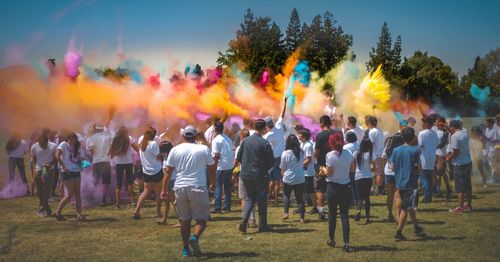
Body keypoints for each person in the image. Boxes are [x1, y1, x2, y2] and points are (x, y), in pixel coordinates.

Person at [161, 125, 216, 257]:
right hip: (198, 186)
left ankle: (185, 249)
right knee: (202, 219)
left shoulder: (175, 150)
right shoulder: (204, 149)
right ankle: (195, 237)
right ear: (196, 136)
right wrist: (213, 183)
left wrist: (164, 189)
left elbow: (168, 172)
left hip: (180, 187)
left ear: (183, 135)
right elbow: (211, 168)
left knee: (185, 220)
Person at [237, 119, 275, 233]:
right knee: (261, 200)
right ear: (264, 129)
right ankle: (263, 226)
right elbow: (271, 161)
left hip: (246, 174)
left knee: (249, 199)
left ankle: (244, 222)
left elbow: (239, 157)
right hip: (260, 174)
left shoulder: (246, 141)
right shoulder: (264, 143)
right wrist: (264, 168)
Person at [390, 127, 425, 241]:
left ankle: (416, 226)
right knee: (406, 207)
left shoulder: (396, 150)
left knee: (410, 206)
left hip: (399, 182)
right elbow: (418, 168)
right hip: (410, 182)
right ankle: (398, 233)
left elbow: (392, 166)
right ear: (413, 137)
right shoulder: (414, 151)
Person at [324, 132, 355, 252]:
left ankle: (331, 239)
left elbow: (329, 173)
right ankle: (346, 242)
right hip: (345, 186)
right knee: (344, 215)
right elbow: (352, 169)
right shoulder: (349, 153)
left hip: (332, 187)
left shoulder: (330, 155)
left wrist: (323, 169)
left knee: (332, 214)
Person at [134, 127, 164, 220]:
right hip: (156, 170)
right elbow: (158, 156)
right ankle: (158, 212)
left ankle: (137, 211)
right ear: (153, 135)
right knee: (158, 192)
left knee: (146, 191)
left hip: (146, 171)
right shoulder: (153, 144)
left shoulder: (142, 145)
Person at [54, 132, 85, 221]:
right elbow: (57, 156)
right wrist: (63, 166)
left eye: (74, 140)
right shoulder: (63, 144)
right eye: (71, 140)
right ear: (67, 139)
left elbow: (79, 159)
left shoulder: (76, 147)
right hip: (67, 172)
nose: (72, 141)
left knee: (78, 193)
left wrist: (82, 161)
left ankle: (79, 214)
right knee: (70, 194)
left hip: (76, 171)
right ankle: (58, 212)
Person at [314, 115, 340, 220]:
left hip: (322, 166)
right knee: (332, 186)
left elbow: (316, 153)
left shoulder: (320, 136)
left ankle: (321, 211)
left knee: (320, 189)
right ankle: (333, 210)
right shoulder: (336, 133)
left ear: (322, 123)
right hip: (335, 164)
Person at [264, 97, 287, 204]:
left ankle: (270, 196)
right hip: (282, 156)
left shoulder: (268, 135)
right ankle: (276, 198)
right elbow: (282, 114)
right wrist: (285, 102)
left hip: (273, 158)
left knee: (271, 179)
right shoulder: (278, 126)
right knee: (278, 180)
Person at [448, 120, 473, 214]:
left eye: (450, 127)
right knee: (467, 185)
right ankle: (469, 205)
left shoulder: (455, 136)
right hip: (467, 161)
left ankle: (460, 208)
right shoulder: (465, 133)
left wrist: (449, 158)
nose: (450, 129)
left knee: (459, 187)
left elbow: (456, 152)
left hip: (460, 164)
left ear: (453, 127)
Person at [383, 120, 406, 222]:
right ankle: (398, 216)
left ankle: (389, 214)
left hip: (388, 172)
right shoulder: (403, 148)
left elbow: (384, 157)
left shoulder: (388, 147)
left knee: (390, 194)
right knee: (398, 195)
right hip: (399, 173)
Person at [109, 127, 137, 209]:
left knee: (119, 183)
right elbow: (136, 148)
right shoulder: (129, 138)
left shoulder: (115, 139)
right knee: (130, 182)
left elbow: (111, 152)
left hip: (119, 163)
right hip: (128, 162)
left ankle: (117, 204)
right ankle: (132, 201)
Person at [280, 134, 306, 223]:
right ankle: (302, 217)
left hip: (289, 177)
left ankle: (286, 213)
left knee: (286, 195)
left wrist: (282, 172)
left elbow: (283, 167)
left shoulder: (285, 153)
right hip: (300, 177)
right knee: (299, 198)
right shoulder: (301, 152)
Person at [234, 129, 257, 228]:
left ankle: (245, 220)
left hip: (243, 174)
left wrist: (233, 171)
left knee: (244, 198)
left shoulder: (240, 147)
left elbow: (236, 162)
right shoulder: (254, 145)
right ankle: (252, 219)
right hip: (254, 173)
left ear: (241, 137)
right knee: (252, 197)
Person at [31, 131, 57, 217]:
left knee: (46, 190)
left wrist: (50, 164)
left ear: (47, 142)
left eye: (44, 145)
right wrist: (35, 170)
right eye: (41, 145)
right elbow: (34, 159)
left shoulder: (53, 146)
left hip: (50, 169)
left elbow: (56, 159)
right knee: (39, 191)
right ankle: (47, 209)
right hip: (39, 169)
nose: (42, 147)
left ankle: (41, 209)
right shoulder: (34, 147)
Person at [86, 124, 114, 206]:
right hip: (106, 161)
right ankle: (103, 200)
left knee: (95, 181)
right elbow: (112, 146)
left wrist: (96, 154)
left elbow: (91, 150)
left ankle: (92, 198)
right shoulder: (108, 136)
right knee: (105, 182)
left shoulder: (92, 138)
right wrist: (108, 154)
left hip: (96, 162)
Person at [211, 122, 235, 213]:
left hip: (221, 166)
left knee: (218, 186)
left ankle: (217, 207)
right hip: (229, 165)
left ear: (216, 130)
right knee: (227, 186)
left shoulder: (216, 140)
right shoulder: (227, 138)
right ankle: (227, 206)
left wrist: (214, 166)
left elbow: (216, 155)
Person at [158, 140, 180, 226]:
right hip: (173, 180)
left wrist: (164, 185)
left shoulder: (167, 158)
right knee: (167, 201)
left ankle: (180, 221)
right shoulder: (172, 156)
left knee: (174, 202)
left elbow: (166, 172)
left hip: (171, 181)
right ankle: (164, 219)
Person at [418, 116, 439, 202]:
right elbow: (437, 145)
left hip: (424, 158)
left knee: (424, 177)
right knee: (430, 178)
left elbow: (420, 146)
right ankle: (430, 194)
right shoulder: (434, 133)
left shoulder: (422, 133)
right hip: (432, 158)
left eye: (423, 123)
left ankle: (427, 196)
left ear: (426, 124)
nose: (422, 125)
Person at [354, 138, 375, 224]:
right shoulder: (370, 154)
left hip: (358, 176)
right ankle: (367, 218)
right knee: (367, 197)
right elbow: (374, 167)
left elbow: (354, 165)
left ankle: (358, 211)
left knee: (359, 196)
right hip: (368, 177)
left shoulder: (356, 153)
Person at [297, 129, 318, 214]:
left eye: (299, 134)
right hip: (304, 171)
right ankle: (302, 207)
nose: (298, 135)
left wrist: (299, 166)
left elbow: (308, 160)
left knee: (310, 190)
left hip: (308, 172)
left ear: (304, 136)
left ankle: (315, 207)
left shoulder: (308, 145)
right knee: (304, 190)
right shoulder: (302, 144)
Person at [434, 116, 452, 199]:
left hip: (441, 154)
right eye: (436, 122)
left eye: (437, 122)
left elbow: (442, 144)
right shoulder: (434, 129)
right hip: (435, 154)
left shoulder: (445, 132)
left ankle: (440, 190)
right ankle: (446, 188)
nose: (436, 123)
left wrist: (445, 126)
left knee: (439, 173)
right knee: (441, 173)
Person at [367, 116, 385, 195]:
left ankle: (379, 191)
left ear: (370, 123)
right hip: (381, 153)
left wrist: (370, 155)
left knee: (378, 173)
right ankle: (379, 189)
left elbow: (371, 144)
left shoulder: (371, 132)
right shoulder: (380, 130)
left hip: (375, 154)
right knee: (379, 172)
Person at [344, 131, 360, 205]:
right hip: (359, 167)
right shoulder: (359, 144)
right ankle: (357, 199)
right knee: (356, 185)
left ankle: (351, 200)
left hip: (350, 167)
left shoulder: (346, 147)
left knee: (350, 184)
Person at [484, 118, 497, 183]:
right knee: (487, 164)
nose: (486, 124)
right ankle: (489, 177)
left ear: (491, 123)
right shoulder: (486, 129)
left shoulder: (495, 130)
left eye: (487, 123)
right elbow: (486, 138)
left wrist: (487, 139)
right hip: (487, 149)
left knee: (492, 165)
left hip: (492, 149)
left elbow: (496, 140)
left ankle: (493, 179)